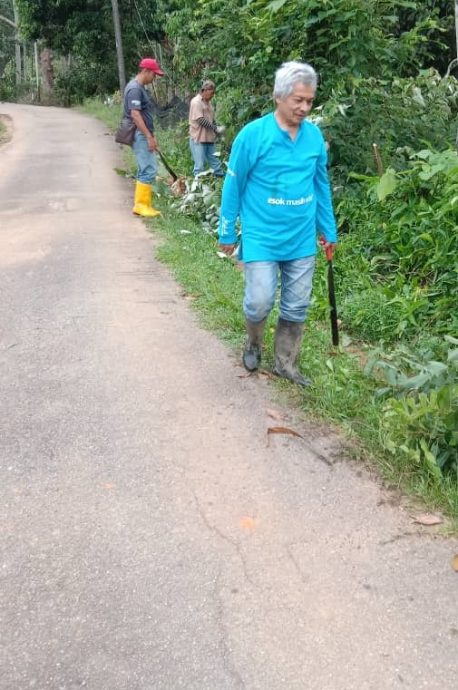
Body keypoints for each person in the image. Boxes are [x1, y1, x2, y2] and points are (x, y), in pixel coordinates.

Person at [218, 61, 337, 387]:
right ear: (278, 96)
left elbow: (320, 185)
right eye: (298, 99)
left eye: (309, 101)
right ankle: (253, 342)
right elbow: (233, 184)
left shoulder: (314, 137)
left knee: (297, 305)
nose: (304, 107)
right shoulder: (253, 136)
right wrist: (227, 230)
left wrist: (328, 230)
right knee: (259, 301)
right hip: (261, 236)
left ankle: (286, 363)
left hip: (300, 237)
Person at [123, 57, 164, 217]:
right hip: (139, 134)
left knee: (144, 168)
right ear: (146, 71)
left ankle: (143, 204)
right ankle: (141, 205)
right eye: (154, 75)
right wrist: (148, 136)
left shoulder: (139, 88)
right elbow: (135, 114)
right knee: (149, 168)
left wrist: (151, 136)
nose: (154, 79)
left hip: (143, 133)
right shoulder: (135, 89)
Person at [189, 80, 225, 177]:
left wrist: (217, 132)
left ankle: (221, 183)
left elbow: (211, 120)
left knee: (216, 163)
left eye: (213, 93)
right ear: (204, 90)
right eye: (211, 93)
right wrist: (215, 128)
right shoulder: (196, 102)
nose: (212, 95)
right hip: (198, 139)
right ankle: (197, 188)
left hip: (209, 138)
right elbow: (200, 120)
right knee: (199, 167)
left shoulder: (208, 103)